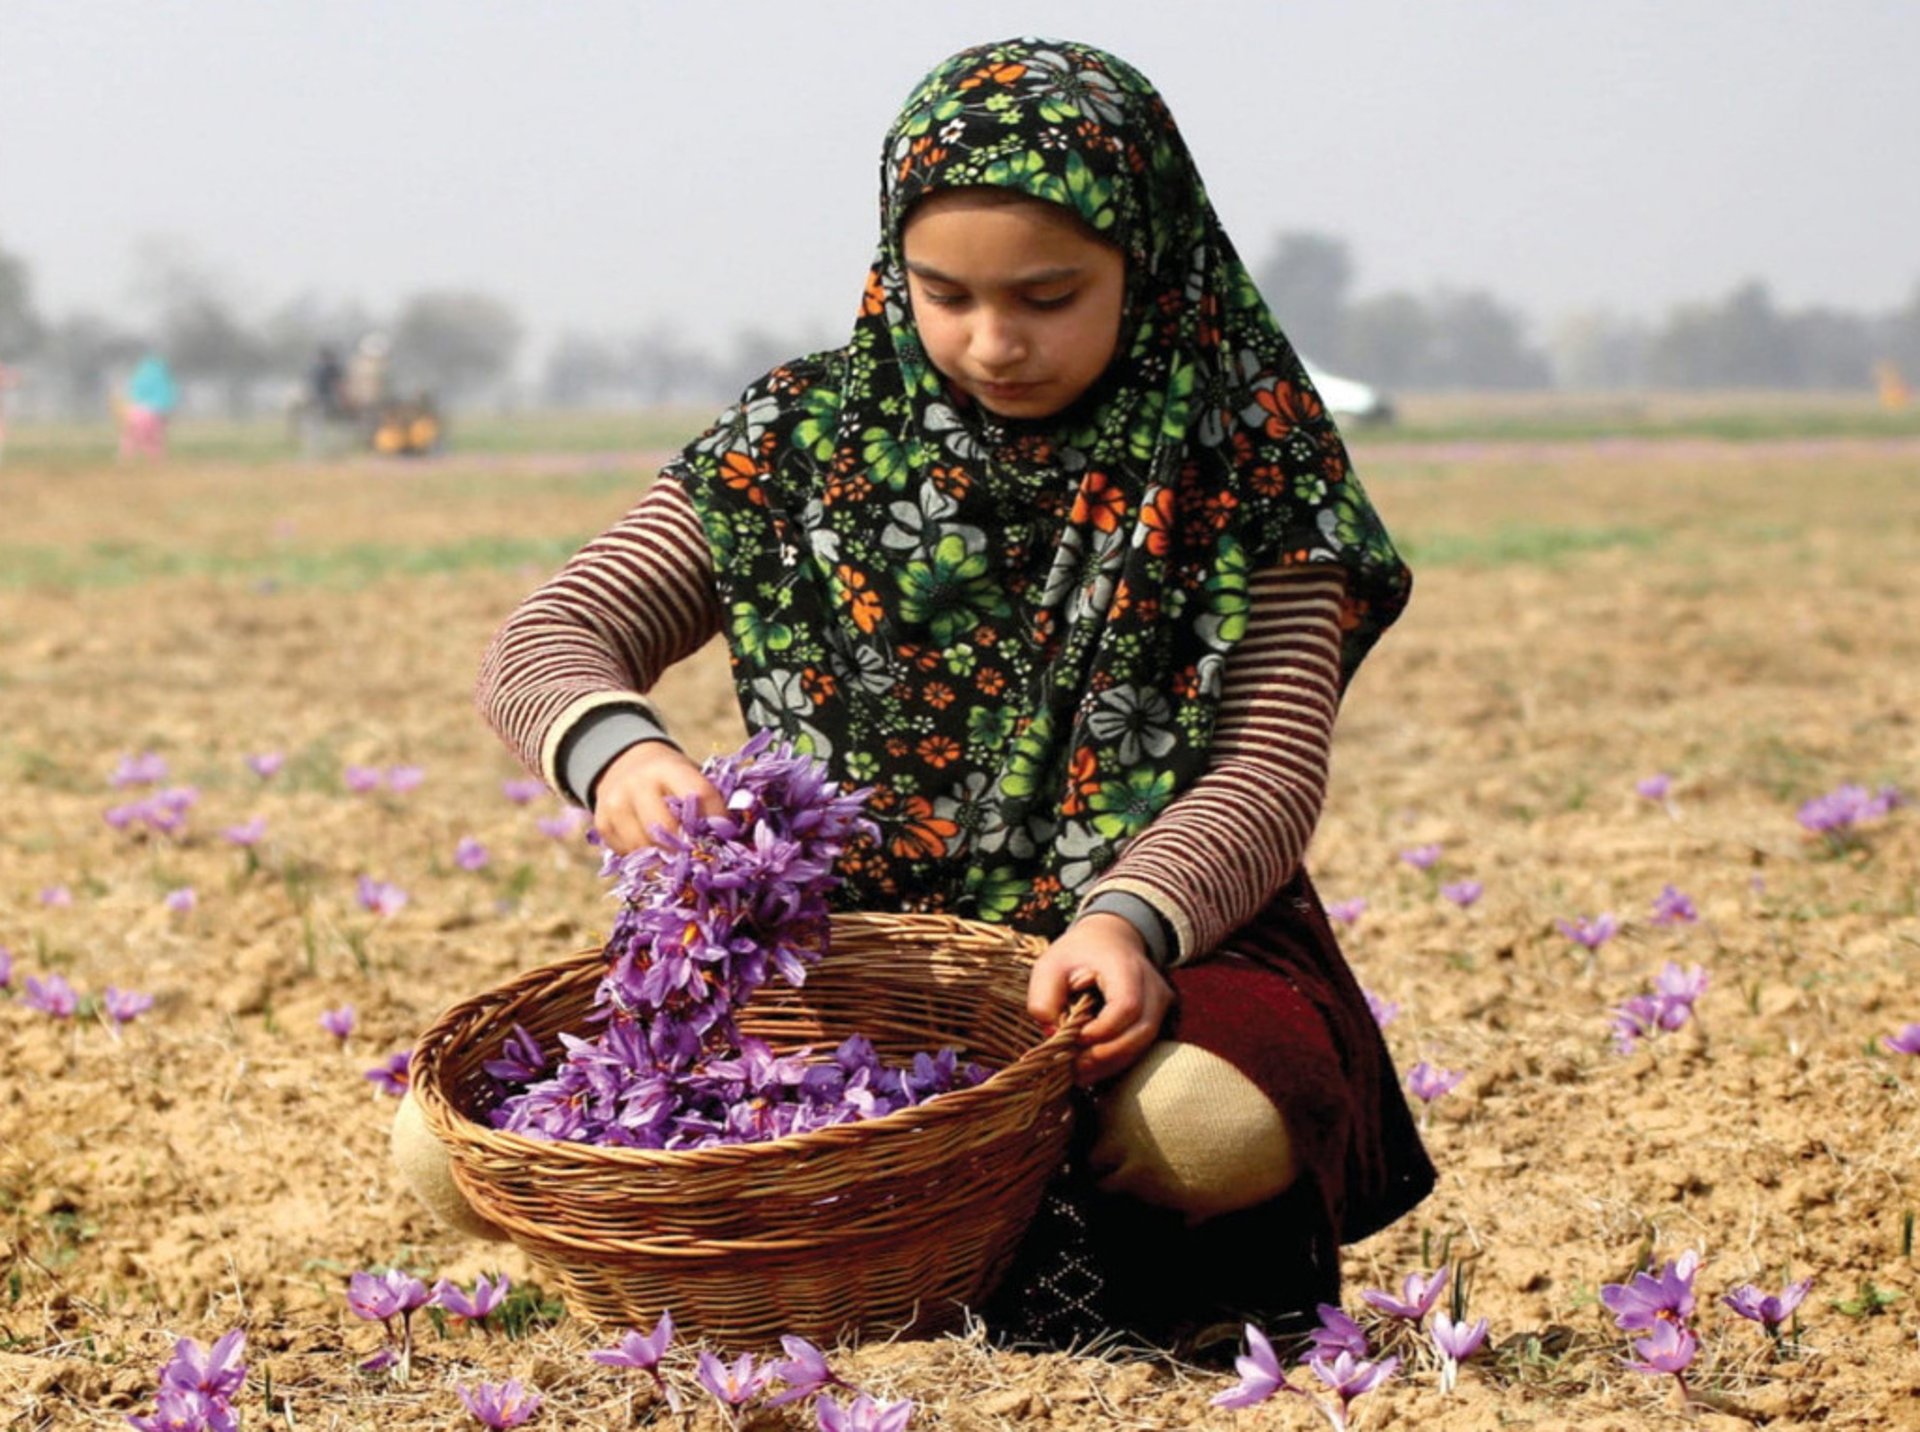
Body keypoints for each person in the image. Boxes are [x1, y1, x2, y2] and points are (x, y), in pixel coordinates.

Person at [401, 36, 1433, 1350]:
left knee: (1201, 1121)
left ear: (1150, 260)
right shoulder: (797, 448)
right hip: (855, 951)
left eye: (1050, 295)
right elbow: (554, 635)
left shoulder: (1246, 465)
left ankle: (1035, 1255)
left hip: (1155, 940)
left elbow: (1268, 770)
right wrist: (618, 757)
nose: (992, 343)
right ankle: (841, 1261)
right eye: (941, 292)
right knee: (444, 1145)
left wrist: (1133, 921)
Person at [119, 352, 179, 460]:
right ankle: (156, 462)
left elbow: (132, 393)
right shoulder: (163, 378)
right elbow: (168, 398)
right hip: (154, 413)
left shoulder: (139, 376)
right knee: (153, 440)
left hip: (135, 412)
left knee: (131, 438)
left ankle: (126, 460)